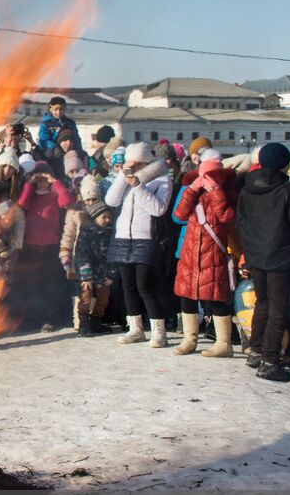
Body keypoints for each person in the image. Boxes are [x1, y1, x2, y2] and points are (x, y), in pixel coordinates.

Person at [235, 142, 290, 381]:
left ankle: (256, 351)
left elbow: (240, 223)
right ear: (284, 164)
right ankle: (270, 361)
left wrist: (249, 250)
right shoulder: (288, 190)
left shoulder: (247, 189)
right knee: (279, 308)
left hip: (256, 255)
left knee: (263, 303)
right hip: (281, 256)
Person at [104, 142, 173, 347]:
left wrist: (138, 186)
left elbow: (158, 209)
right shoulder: (125, 178)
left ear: (144, 163)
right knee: (128, 286)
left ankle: (159, 331)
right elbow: (111, 200)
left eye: (136, 164)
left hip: (145, 238)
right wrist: (122, 177)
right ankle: (136, 328)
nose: (133, 168)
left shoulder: (161, 180)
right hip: (123, 237)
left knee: (145, 286)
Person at [171, 153, 238, 357]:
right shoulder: (195, 191)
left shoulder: (228, 191)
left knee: (216, 297)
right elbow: (178, 215)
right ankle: (189, 339)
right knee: (187, 296)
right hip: (190, 253)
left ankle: (224, 343)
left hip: (212, 252)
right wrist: (191, 190)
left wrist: (216, 192)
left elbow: (227, 218)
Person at [14, 161, 73, 331]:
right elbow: (22, 205)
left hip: (51, 247)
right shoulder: (31, 196)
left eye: (43, 179)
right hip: (32, 247)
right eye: (38, 179)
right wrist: (29, 184)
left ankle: (49, 319)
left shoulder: (54, 195)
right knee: (33, 285)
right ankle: (33, 319)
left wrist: (55, 181)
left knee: (50, 286)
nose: (41, 182)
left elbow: (67, 201)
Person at [68, 201, 114, 336]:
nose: (107, 220)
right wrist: (86, 276)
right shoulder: (86, 233)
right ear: (94, 217)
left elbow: (114, 255)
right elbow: (82, 255)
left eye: (109, 217)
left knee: (103, 298)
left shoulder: (111, 233)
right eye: (104, 217)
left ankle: (96, 323)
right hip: (87, 272)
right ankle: (83, 325)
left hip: (104, 272)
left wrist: (112, 274)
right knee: (85, 297)